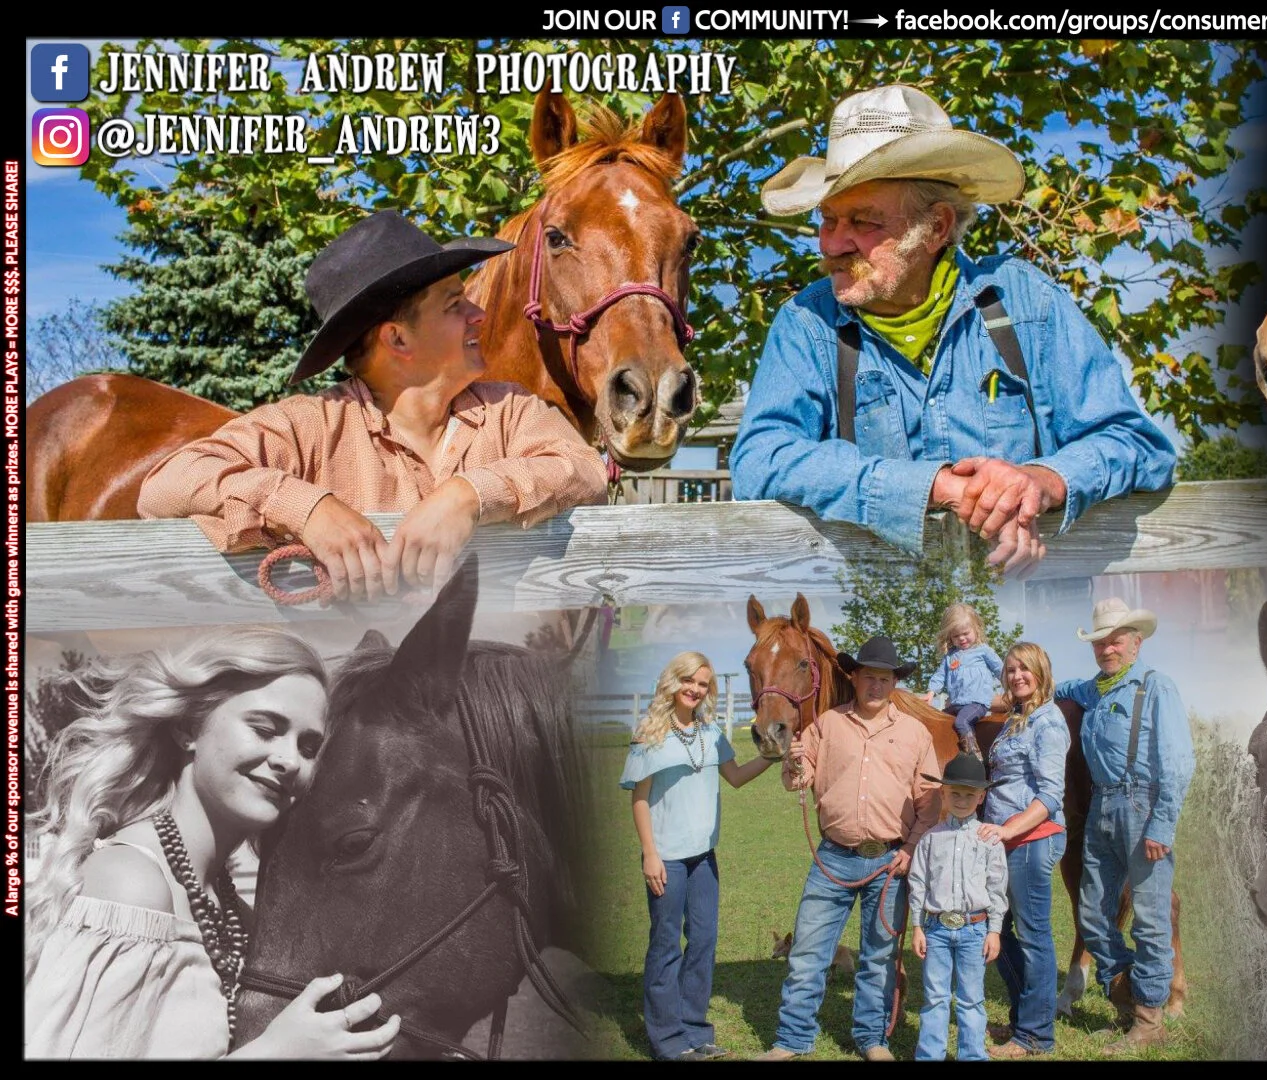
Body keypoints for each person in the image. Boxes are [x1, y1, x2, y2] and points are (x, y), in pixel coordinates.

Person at [730, 84, 1176, 576]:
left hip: (1035, 627)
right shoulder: (806, 325)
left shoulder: (1025, 303)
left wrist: (1041, 483)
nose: (833, 244)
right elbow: (760, 460)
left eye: (862, 220)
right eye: (828, 219)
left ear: (937, 226)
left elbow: (1137, 445)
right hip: (880, 632)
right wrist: (936, 486)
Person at [138, 209, 607, 599]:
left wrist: (470, 494)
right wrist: (308, 507)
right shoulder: (310, 425)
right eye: (453, 304)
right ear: (397, 338)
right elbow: (165, 485)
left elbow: (583, 469)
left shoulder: (510, 410)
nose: (478, 314)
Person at [24, 628, 399, 1059]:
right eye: (264, 728)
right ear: (188, 728)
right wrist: (275, 1053)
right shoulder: (132, 885)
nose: (289, 760)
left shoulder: (236, 915)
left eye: (309, 746)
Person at [758, 636, 940, 1062]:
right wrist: (793, 763)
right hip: (833, 855)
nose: (876, 685)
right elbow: (797, 782)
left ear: (894, 682)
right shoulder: (827, 724)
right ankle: (791, 1038)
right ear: (854, 678)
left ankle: (872, 1039)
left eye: (885, 678)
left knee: (878, 958)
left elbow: (930, 803)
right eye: (868, 677)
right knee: (806, 952)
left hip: (890, 860)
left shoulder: (915, 733)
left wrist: (910, 849)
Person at [620, 652, 775, 1061]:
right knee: (666, 945)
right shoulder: (648, 734)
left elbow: (736, 777)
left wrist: (772, 757)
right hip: (666, 858)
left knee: (704, 941)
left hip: (704, 858)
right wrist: (650, 854)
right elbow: (639, 799)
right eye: (689, 679)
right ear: (673, 681)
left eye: (704, 683)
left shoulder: (711, 733)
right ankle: (668, 1040)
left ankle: (694, 1029)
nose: (695, 688)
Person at [1056, 597, 1193, 1053]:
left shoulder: (1156, 688)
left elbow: (1177, 762)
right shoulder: (1091, 689)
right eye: (1100, 642)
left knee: (1150, 920)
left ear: (1135, 643)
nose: (1107, 648)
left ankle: (1149, 1018)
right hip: (1101, 809)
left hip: (1143, 807)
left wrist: (1162, 825)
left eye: (1115, 640)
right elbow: (1044, 689)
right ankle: (1128, 993)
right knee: (1093, 913)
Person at [977, 642, 1069, 1058]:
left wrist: (1009, 828)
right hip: (1006, 840)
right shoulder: (1016, 717)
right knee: (996, 928)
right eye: (1010, 669)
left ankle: (1035, 1036)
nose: (1016, 676)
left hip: (1031, 840)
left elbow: (1049, 794)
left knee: (1034, 937)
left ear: (1040, 672)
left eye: (1024, 669)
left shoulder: (1047, 722)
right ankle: (1023, 1017)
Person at [908, 753, 1008, 1062]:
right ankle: (930, 1055)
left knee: (971, 998)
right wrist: (917, 926)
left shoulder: (990, 841)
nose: (962, 800)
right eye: (955, 793)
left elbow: (997, 889)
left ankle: (972, 1055)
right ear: (944, 794)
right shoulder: (930, 839)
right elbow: (918, 883)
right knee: (935, 997)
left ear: (981, 797)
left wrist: (994, 931)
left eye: (969, 794)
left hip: (975, 929)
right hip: (936, 929)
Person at [924, 602, 1001, 754]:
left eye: (966, 633)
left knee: (962, 722)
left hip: (976, 702)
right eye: (956, 636)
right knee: (937, 723)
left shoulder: (982, 651)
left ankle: (974, 757)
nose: (962, 638)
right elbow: (940, 676)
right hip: (956, 704)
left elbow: (1000, 669)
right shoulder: (950, 656)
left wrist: (1011, 687)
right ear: (949, 637)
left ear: (976, 629)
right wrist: (931, 692)